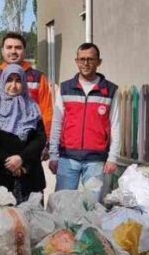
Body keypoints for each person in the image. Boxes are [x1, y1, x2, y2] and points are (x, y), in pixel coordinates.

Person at [48, 43, 121, 197]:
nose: (86, 63)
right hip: (67, 157)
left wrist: (113, 157)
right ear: (76, 61)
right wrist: (53, 154)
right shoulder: (65, 88)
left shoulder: (110, 90)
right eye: (82, 59)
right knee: (62, 203)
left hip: (96, 159)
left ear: (99, 62)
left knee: (92, 205)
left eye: (90, 59)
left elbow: (115, 125)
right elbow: (57, 123)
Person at [0, 63, 47, 202]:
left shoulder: (32, 107)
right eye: (9, 80)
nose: (13, 85)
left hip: (29, 176)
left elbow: (40, 138)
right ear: (3, 81)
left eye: (18, 80)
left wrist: (21, 158)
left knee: (31, 215)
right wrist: (9, 162)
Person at [0, 32, 53, 137]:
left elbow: (46, 111)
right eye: (9, 47)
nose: (13, 51)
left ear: (24, 50)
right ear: (2, 51)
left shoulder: (38, 78)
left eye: (18, 47)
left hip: (30, 139)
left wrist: (45, 137)